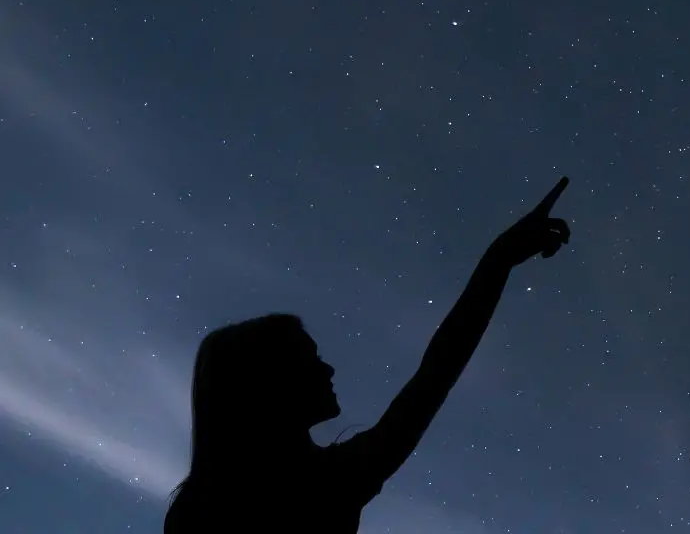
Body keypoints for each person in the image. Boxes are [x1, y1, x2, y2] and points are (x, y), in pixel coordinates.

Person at [164, 177, 573, 534]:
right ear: (267, 382)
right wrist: (499, 258)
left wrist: (500, 258)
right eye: (307, 360)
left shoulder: (213, 503)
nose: (328, 367)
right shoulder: (326, 483)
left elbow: (436, 373)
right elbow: (435, 374)